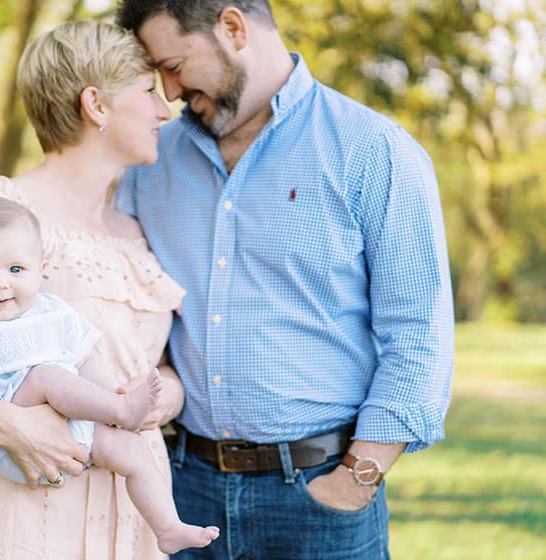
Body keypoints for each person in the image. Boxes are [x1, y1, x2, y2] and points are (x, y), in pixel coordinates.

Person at [113, 2, 455, 559]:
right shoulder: (149, 164)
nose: (169, 91)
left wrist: (354, 481)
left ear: (232, 27)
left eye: (174, 64)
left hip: (320, 501)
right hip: (179, 495)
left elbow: (418, 334)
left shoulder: (373, 152)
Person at [0, 19, 194, 559]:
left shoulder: (134, 232)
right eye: (147, 91)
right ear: (96, 104)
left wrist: (165, 395)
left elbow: (147, 363)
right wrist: (3, 419)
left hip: (131, 506)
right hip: (30, 511)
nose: (165, 109)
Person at [0, 196, 219, 554]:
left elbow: (87, 359)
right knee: (47, 375)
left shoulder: (53, 312)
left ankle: (167, 526)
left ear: (41, 270)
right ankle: (121, 410)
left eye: (15, 270)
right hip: (12, 434)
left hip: (73, 434)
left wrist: (112, 391)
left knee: (133, 451)